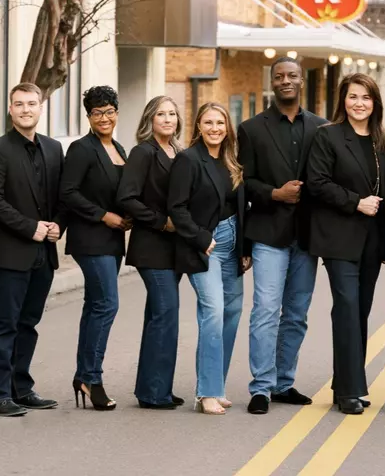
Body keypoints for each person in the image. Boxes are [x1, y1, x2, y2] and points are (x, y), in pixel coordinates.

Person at [238, 58, 326, 415]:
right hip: (268, 234)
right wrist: (275, 194)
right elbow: (242, 182)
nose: (285, 81)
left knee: (297, 315)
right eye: (279, 76)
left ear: (301, 81)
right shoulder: (251, 129)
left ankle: (283, 383)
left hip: (307, 236)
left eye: (291, 76)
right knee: (265, 311)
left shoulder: (322, 128)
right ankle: (260, 388)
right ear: (271, 82)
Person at [0, 83, 63, 417]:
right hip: (10, 252)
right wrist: (31, 228)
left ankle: (21, 387)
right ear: (10, 110)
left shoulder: (55, 149)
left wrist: (57, 225)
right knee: (5, 323)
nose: (26, 109)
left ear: (41, 108)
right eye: (19, 104)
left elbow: (61, 197)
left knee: (29, 322)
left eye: (32, 103)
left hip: (44, 252)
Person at [306, 74, 385, 415]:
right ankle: (351, 390)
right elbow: (317, 182)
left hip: (371, 240)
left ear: (375, 103)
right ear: (344, 100)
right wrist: (356, 201)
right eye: (353, 96)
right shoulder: (329, 136)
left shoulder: (383, 141)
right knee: (347, 306)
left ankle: (346, 385)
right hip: (338, 237)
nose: (359, 103)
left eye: (366, 98)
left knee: (360, 311)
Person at [168, 102, 248, 416]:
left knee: (232, 311)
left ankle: (216, 384)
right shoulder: (188, 160)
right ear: (198, 126)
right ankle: (207, 393)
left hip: (232, 243)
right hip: (205, 244)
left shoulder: (232, 161)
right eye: (208, 122)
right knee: (212, 311)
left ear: (227, 127)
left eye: (220, 123)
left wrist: (245, 248)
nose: (214, 128)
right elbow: (176, 207)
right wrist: (202, 238)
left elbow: (242, 207)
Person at [58, 86, 129, 411]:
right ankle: (92, 378)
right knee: (107, 305)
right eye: (97, 112)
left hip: (113, 240)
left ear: (116, 112)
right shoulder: (81, 149)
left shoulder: (119, 148)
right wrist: (105, 216)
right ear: (88, 117)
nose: (104, 117)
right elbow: (68, 193)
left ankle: (82, 375)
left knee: (95, 306)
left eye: (109, 111)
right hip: (90, 237)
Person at [119, 96, 186, 410]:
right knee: (166, 313)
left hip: (176, 248)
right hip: (151, 246)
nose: (168, 119)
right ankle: (154, 392)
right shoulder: (142, 152)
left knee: (159, 317)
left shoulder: (180, 152)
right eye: (161, 114)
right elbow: (127, 198)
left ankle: (155, 388)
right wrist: (162, 222)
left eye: (172, 114)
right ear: (150, 118)